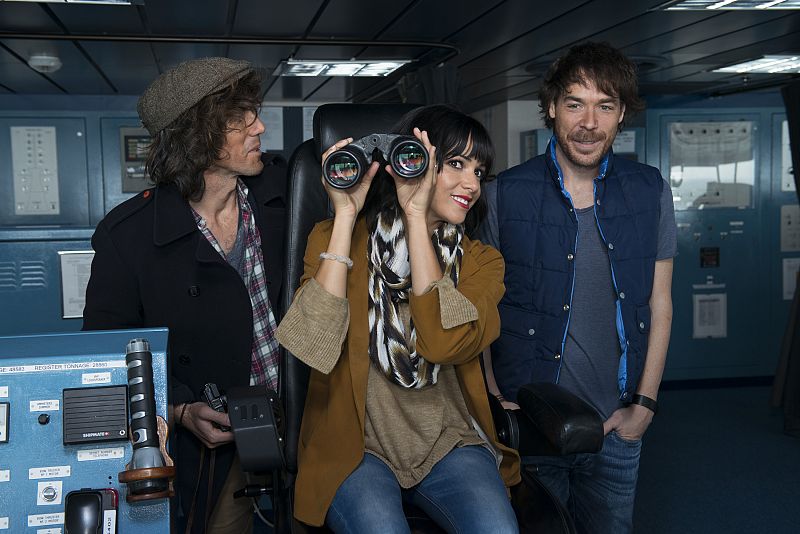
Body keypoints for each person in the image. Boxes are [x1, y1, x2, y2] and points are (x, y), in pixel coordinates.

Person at [276, 105, 520, 533]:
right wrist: (346, 216)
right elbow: (311, 343)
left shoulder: (482, 263)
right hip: (357, 447)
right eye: (457, 164)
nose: (472, 184)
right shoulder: (334, 238)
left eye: (480, 171)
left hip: (450, 442)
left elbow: (443, 343)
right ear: (413, 162)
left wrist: (415, 219)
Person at [82, 57, 287, 534]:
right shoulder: (127, 236)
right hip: (213, 439)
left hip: (303, 421)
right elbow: (107, 354)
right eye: (241, 118)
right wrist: (178, 409)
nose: (259, 126)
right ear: (197, 135)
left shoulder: (284, 191)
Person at [479, 42, 676, 533]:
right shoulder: (502, 193)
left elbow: (661, 303)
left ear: (621, 113)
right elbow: (478, 307)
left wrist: (644, 406)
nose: (589, 122)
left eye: (604, 105)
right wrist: (490, 394)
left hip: (618, 428)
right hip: (531, 425)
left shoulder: (650, 190)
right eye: (575, 103)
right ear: (551, 108)